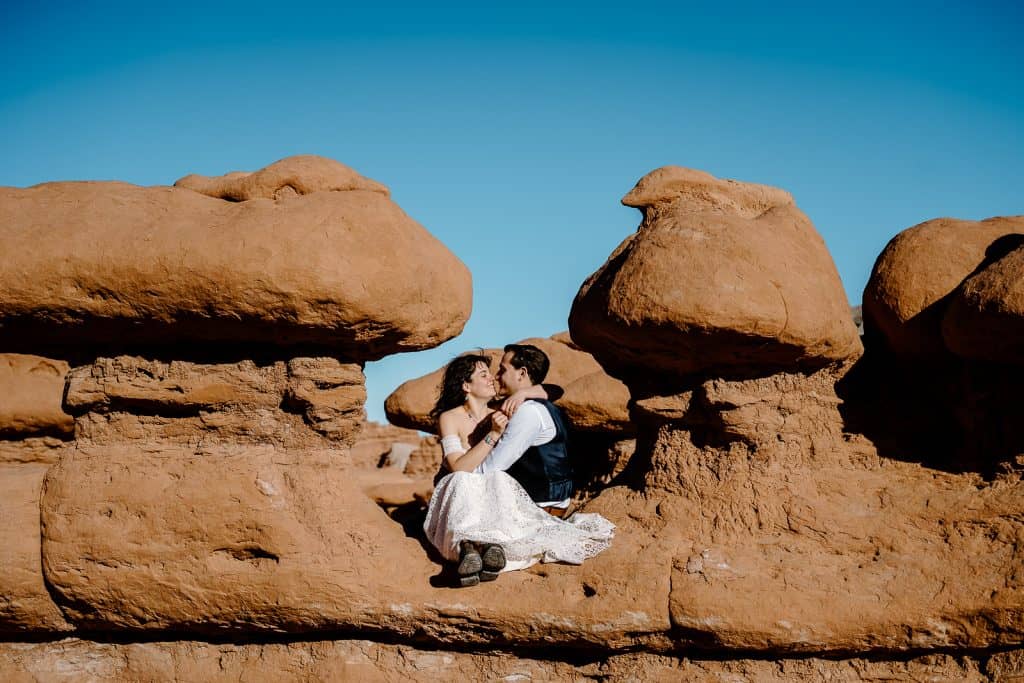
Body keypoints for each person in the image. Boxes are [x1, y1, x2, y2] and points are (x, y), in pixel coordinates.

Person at [423, 345, 615, 587]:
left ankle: (481, 548)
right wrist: (493, 434)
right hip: (460, 492)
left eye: (496, 372)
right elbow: (457, 468)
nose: (493, 378)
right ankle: (469, 548)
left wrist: (523, 393)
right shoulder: (450, 417)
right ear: (466, 386)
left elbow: (554, 389)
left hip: (490, 494)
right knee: (464, 480)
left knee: (498, 479)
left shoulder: (503, 409)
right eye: (484, 375)